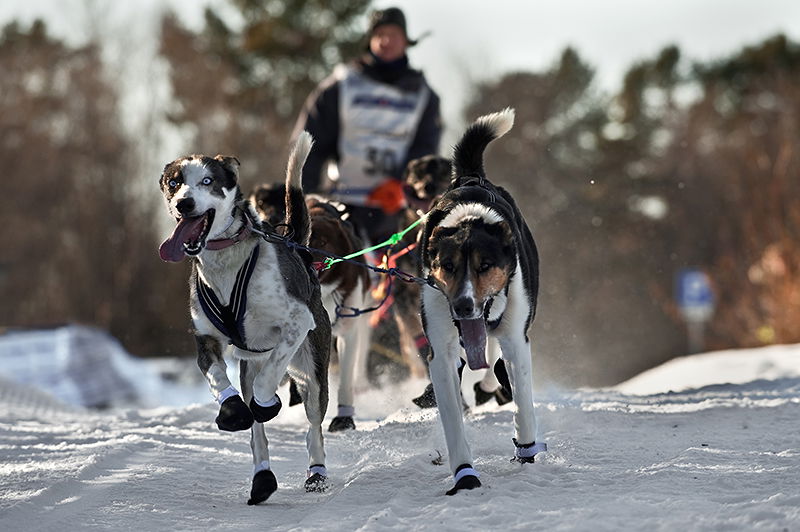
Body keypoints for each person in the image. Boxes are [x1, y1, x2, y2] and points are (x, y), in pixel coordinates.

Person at [292, 6, 442, 246]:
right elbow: (309, 143)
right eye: (379, 34)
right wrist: (305, 198)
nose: (386, 41)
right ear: (369, 40)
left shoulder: (424, 95)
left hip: (398, 209)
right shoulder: (341, 86)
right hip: (342, 203)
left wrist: (402, 184)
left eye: (393, 34)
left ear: (406, 41)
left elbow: (426, 149)